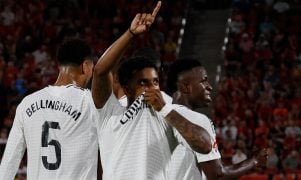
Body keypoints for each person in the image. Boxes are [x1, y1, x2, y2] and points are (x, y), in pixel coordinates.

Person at [90, 1, 212, 179]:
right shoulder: (110, 113)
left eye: (155, 82)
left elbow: (205, 145)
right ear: (126, 88)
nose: (152, 87)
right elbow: (100, 72)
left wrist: (165, 109)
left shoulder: (169, 110)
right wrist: (130, 33)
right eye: (143, 83)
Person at [0, 39, 99, 179]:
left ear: (59, 65)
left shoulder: (27, 103)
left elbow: (9, 161)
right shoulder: (89, 102)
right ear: (86, 66)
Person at [166, 58, 268, 180]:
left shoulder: (157, 117)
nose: (209, 87)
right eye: (203, 81)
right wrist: (254, 161)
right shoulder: (197, 120)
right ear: (185, 87)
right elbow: (217, 175)